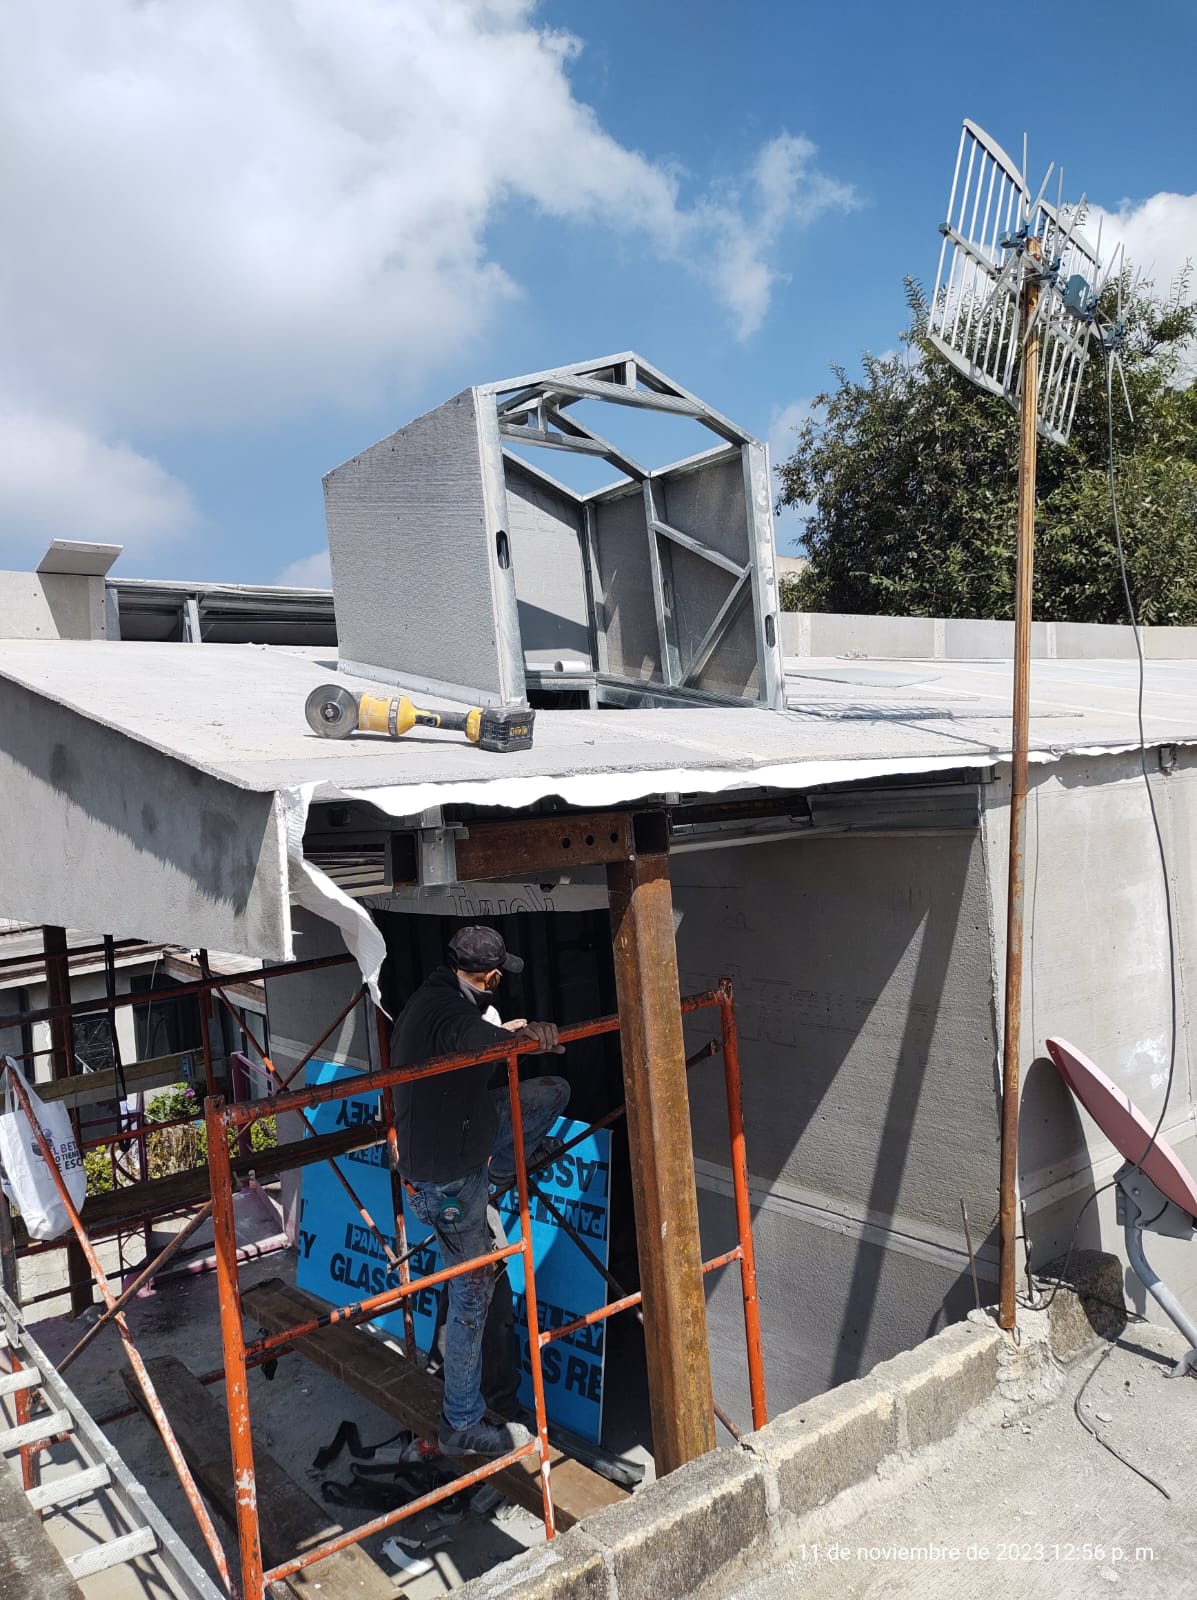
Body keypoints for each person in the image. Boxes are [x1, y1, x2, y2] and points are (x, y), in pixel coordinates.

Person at [391, 926, 570, 1458]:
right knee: (473, 1293)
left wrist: (503, 1034)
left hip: (453, 1137)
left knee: (550, 1092)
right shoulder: (453, 1015)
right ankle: (461, 1423)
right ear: (490, 977)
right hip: (447, 1175)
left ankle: (500, 1172)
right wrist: (525, 1037)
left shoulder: (433, 997)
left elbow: (465, 1036)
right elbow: (466, 1034)